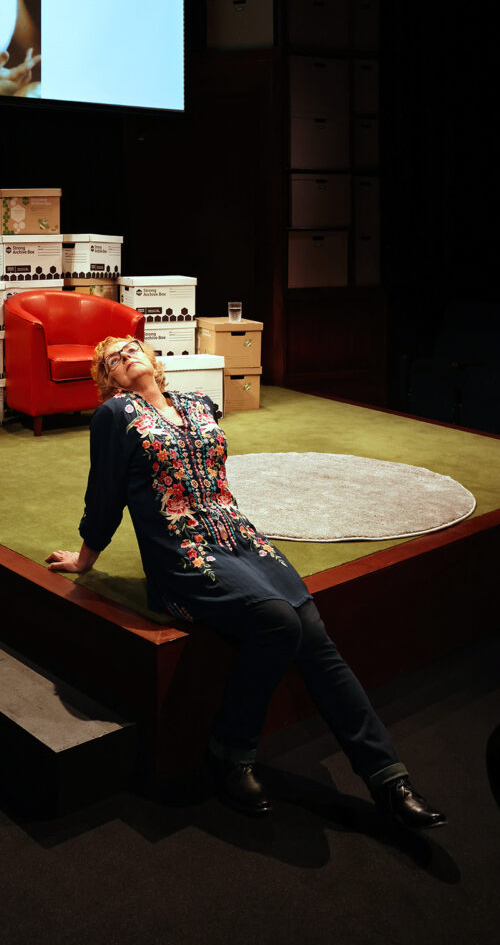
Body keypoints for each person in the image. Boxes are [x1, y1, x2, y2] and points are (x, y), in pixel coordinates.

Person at [46, 336, 447, 830]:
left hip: (241, 538)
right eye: (113, 358)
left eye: (132, 347)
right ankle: (232, 752)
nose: (126, 354)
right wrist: (86, 558)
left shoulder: (197, 403)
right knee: (279, 621)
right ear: (108, 381)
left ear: (152, 358)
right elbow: (105, 492)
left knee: (313, 631)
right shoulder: (115, 415)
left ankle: (388, 779)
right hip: (182, 554)